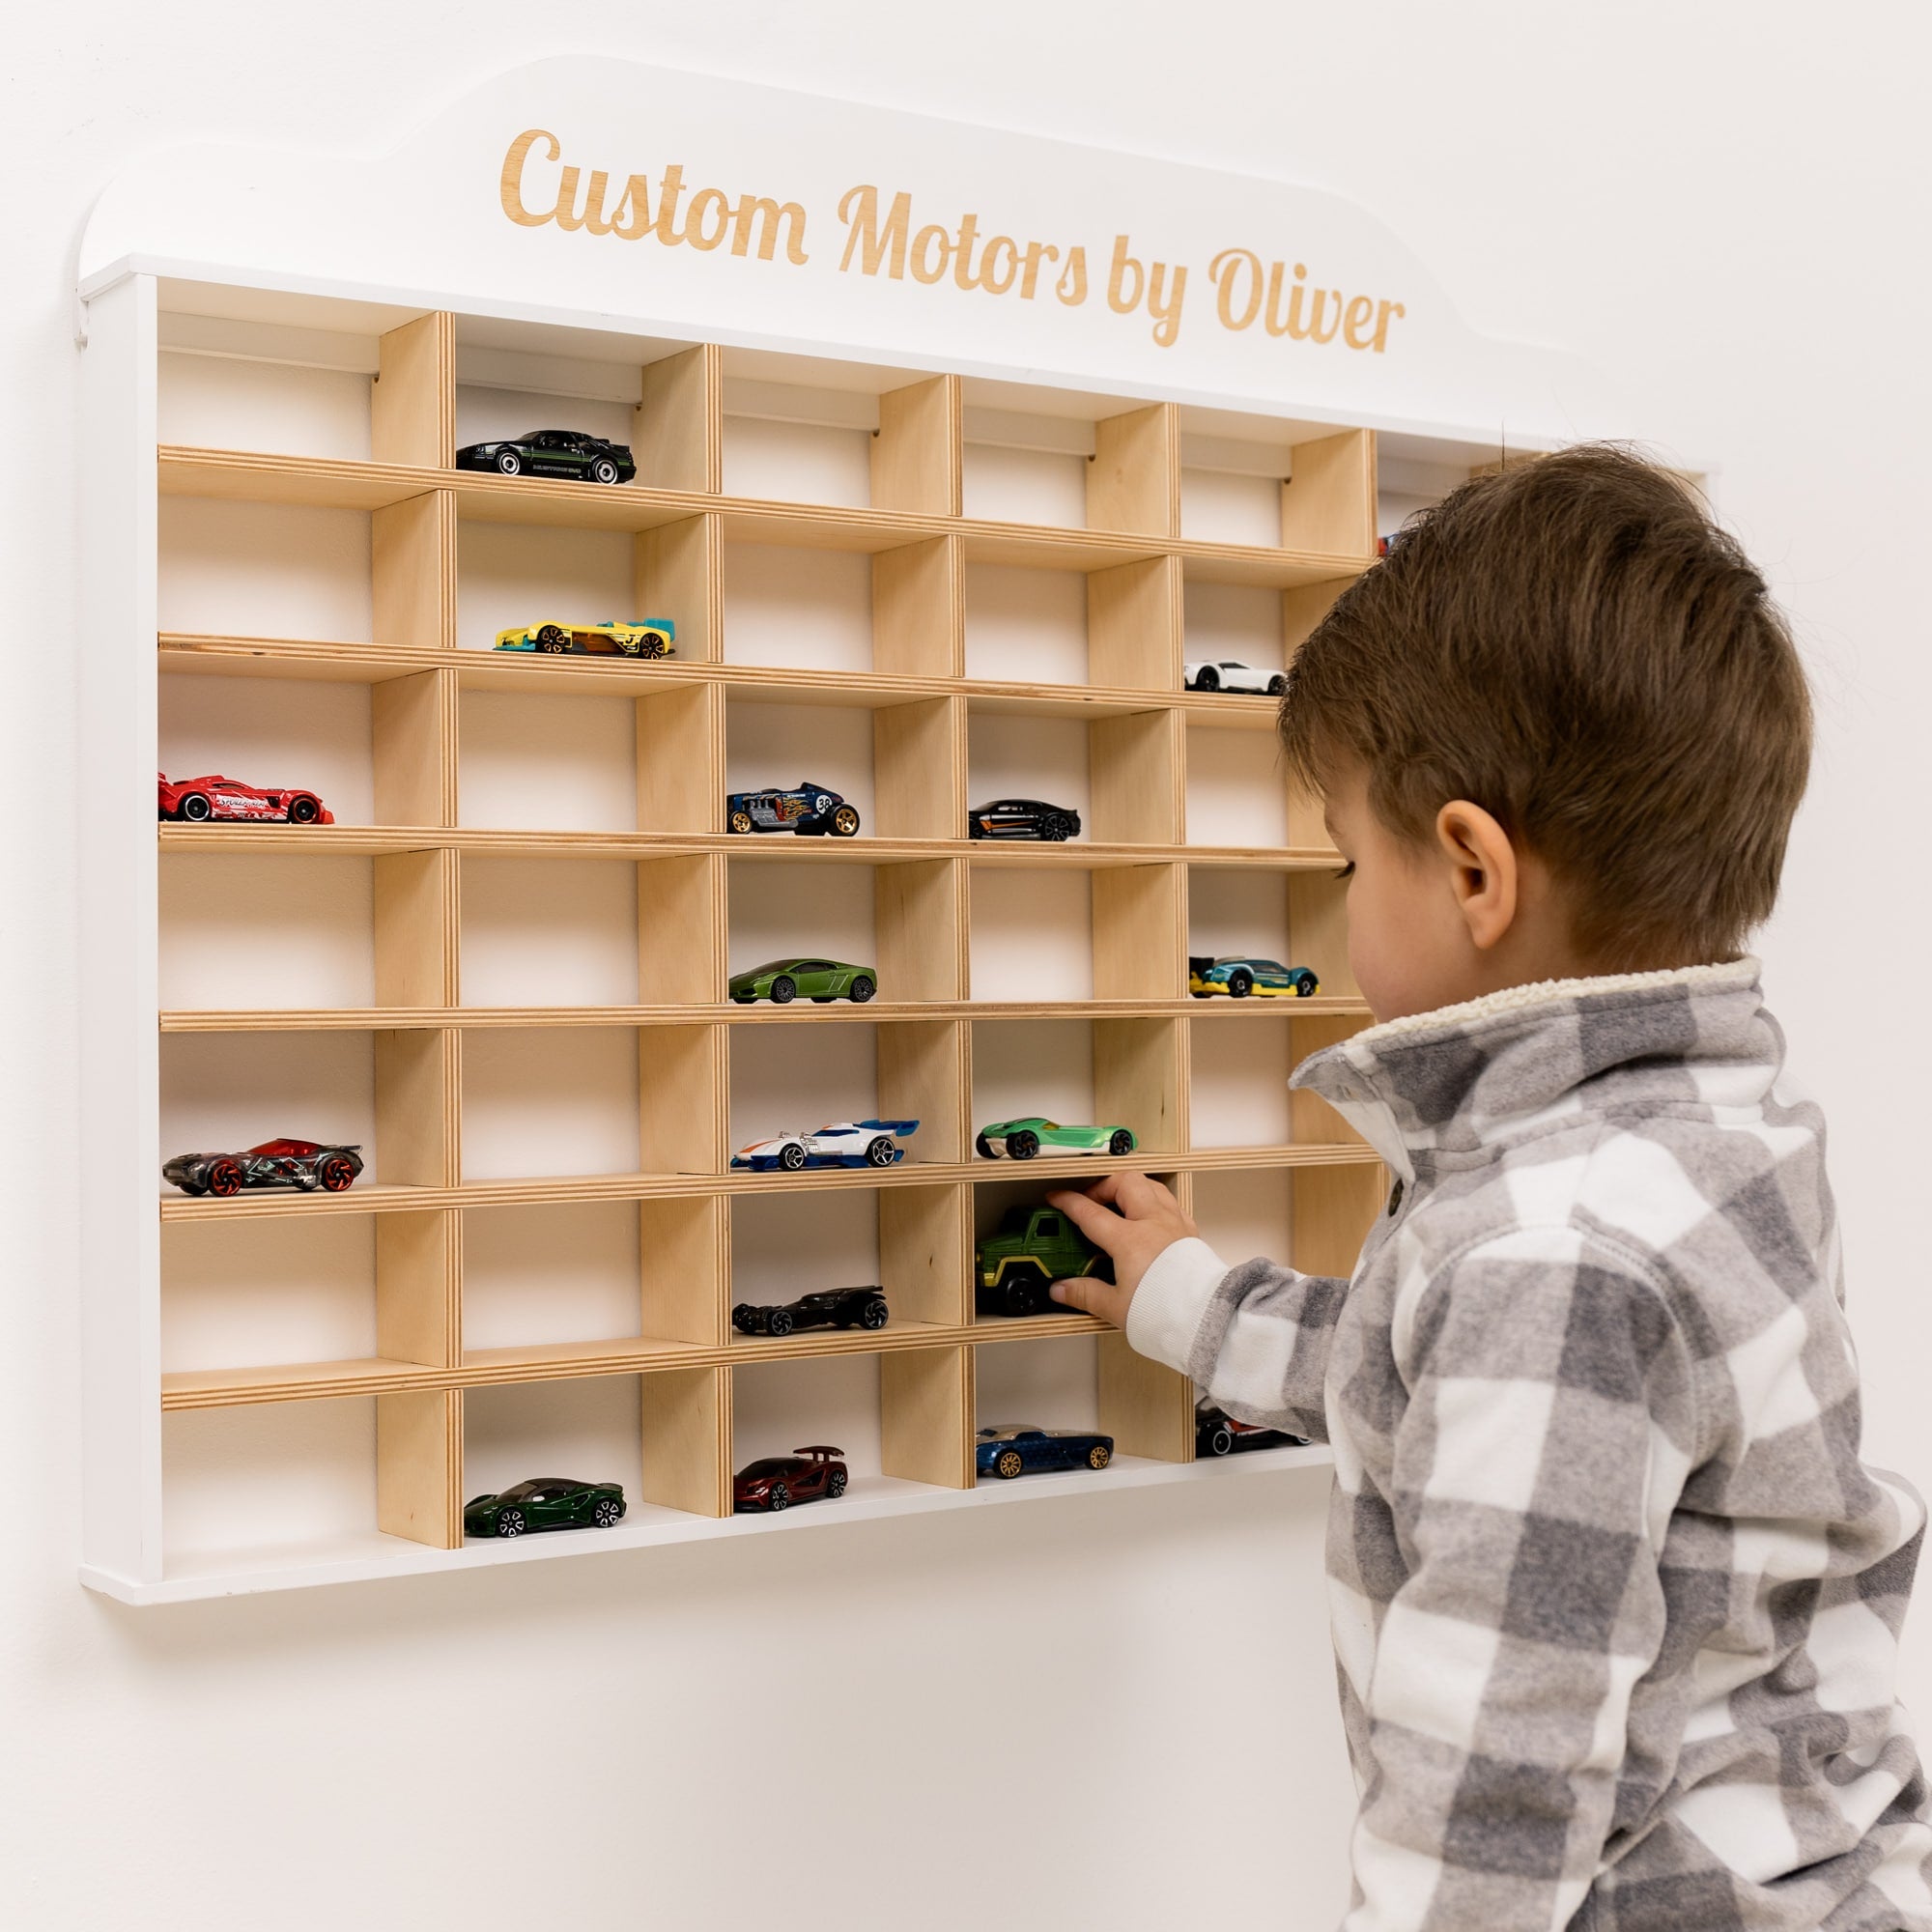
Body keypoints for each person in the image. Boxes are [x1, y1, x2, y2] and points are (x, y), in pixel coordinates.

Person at [1048, 446, 1932, 1931]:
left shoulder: (1554, 1255)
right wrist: (1196, 1305)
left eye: (1344, 864)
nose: (1336, 918)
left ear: (1472, 871)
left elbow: (1493, 1792)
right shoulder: (1713, 1141)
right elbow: (1446, 1374)